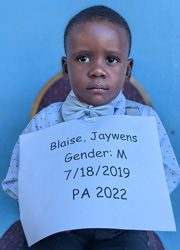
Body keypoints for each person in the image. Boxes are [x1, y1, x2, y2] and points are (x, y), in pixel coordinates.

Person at [2, 5, 180, 250]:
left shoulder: (143, 120)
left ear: (127, 69)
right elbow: (15, 180)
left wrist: (139, 199)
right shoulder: (45, 121)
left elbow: (169, 172)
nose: (97, 70)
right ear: (66, 67)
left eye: (111, 59)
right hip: (61, 227)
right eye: (83, 58)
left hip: (122, 229)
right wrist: (45, 203)